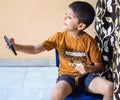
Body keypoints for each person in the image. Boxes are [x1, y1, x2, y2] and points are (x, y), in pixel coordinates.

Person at [5, 1, 113, 100]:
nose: (64, 17)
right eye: (66, 14)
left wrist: (88, 68)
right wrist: (15, 46)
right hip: (67, 77)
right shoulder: (58, 37)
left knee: (110, 87)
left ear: (80, 26)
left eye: (70, 17)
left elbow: (100, 67)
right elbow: (35, 49)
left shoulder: (89, 42)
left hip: (86, 77)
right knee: (56, 94)